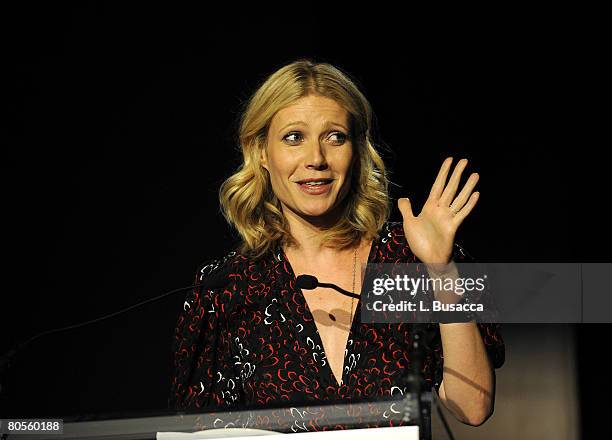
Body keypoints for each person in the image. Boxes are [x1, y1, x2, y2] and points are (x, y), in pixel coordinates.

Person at [168, 59, 505, 433]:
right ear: (262, 152)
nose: (316, 159)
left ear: (357, 151)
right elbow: (200, 434)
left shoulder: (409, 257)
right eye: (294, 137)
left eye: (335, 137)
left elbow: (473, 408)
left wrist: (441, 270)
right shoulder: (228, 287)